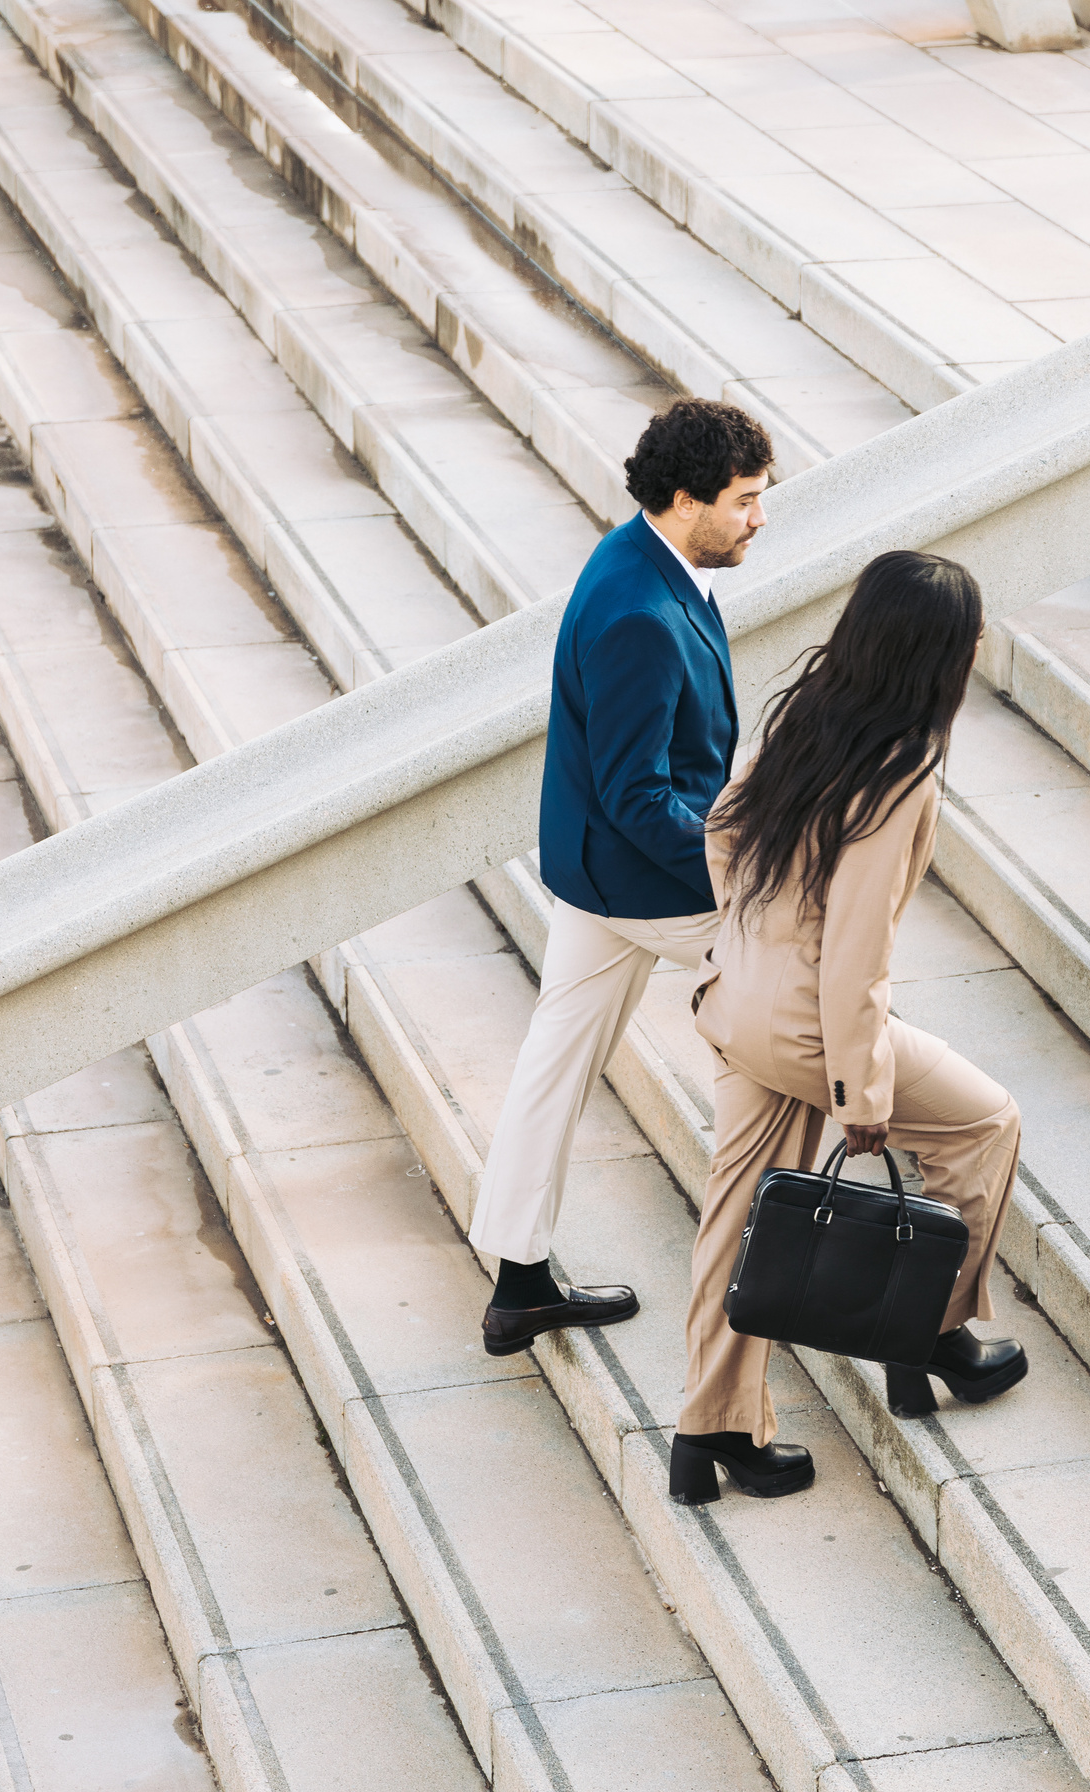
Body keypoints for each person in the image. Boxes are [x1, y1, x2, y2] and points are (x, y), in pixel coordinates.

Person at [668, 550, 1027, 1505]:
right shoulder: (903, 767)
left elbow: (722, 824)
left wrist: (753, 935)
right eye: (970, 632)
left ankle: (709, 1434)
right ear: (935, 654)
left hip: (738, 1001)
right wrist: (860, 1094)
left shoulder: (811, 711)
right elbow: (857, 954)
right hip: (809, 1031)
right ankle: (932, 1332)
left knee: (734, 1216)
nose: (981, 641)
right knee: (985, 1122)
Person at [470, 399, 775, 1356]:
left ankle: (517, 1282)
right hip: (645, 880)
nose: (759, 518)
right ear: (686, 500)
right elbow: (640, 797)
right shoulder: (641, 613)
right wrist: (743, 870)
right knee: (810, 995)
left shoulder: (643, 554)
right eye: (744, 501)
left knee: (553, 1063)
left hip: (597, 875)